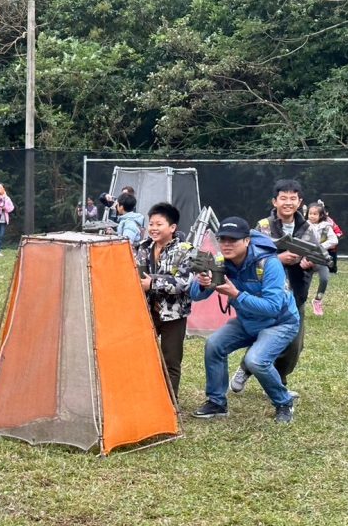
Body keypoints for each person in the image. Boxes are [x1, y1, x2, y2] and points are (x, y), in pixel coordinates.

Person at [190, 217, 301, 424]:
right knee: (214, 345)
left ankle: (284, 402)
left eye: (233, 240)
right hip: (247, 320)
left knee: (255, 361)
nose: (226, 244)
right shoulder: (221, 262)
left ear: (247, 241)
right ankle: (216, 403)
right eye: (222, 239)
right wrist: (203, 283)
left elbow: (273, 307)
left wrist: (236, 294)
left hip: (279, 322)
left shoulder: (269, 263)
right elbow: (195, 296)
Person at [230, 178, 322, 393]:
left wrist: (311, 263)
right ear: (275, 201)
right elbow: (248, 256)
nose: (288, 202)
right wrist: (277, 259)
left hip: (296, 293)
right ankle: (246, 368)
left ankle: (278, 381)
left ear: (300, 202)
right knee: (263, 336)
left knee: (294, 345)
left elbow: (319, 258)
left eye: (293, 198)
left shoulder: (309, 229)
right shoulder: (262, 226)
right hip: (265, 293)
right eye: (283, 198)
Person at [134, 202, 195, 398]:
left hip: (173, 314)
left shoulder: (185, 250)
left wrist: (153, 283)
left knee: (171, 360)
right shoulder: (142, 247)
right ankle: (144, 396)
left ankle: (170, 404)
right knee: (142, 354)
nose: (153, 228)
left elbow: (185, 282)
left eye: (159, 224)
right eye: (151, 224)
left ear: (172, 227)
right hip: (146, 311)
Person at [305, 202, 338, 316]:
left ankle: (318, 300)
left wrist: (320, 247)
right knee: (304, 284)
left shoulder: (326, 227)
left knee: (324, 279)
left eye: (315, 214)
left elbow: (334, 240)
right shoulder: (304, 225)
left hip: (321, 259)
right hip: (306, 259)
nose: (312, 216)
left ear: (321, 215)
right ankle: (299, 303)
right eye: (310, 213)